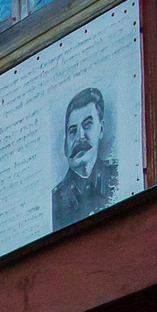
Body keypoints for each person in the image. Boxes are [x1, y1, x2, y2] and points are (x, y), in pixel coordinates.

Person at [51, 86, 119, 229]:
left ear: (101, 129)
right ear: (65, 143)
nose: (79, 137)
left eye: (87, 125)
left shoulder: (119, 176)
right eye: (72, 131)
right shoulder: (53, 201)